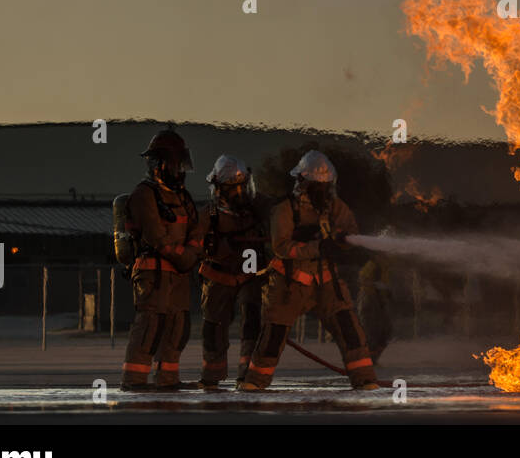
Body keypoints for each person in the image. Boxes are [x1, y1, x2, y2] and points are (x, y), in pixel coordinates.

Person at [240, 150, 379, 391]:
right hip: (288, 286)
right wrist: (318, 246)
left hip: (327, 284)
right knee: (273, 337)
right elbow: (282, 248)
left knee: (350, 330)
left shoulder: (335, 207)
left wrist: (345, 241)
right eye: (318, 185)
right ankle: (254, 384)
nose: (323, 190)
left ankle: (365, 380)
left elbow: (351, 233)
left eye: (326, 185)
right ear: (303, 182)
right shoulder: (284, 210)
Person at [120, 128, 204, 391]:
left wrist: (191, 252)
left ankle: (168, 380)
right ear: (161, 164)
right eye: (177, 164)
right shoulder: (144, 194)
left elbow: (195, 229)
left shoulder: (183, 197)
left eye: (182, 165)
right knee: (149, 328)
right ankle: (134, 381)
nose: (180, 171)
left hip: (179, 275)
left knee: (178, 328)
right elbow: (157, 238)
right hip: (153, 273)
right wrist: (186, 256)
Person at [197, 154, 268, 388]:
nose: (240, 193)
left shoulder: (256, 212)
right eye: (233, 188)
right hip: (218, 277)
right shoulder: (209, 215)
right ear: (220, 189)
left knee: (252, 321)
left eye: (242, 186)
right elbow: (194, 246)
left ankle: (247, 374)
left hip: (249, 276)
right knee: (214, 327)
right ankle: (212, 376)